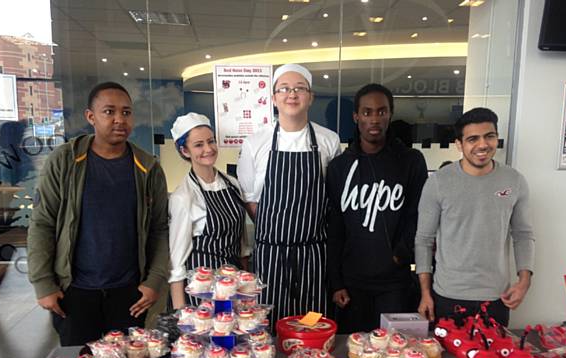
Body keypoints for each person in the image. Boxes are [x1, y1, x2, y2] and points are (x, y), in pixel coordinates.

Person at [27, 82, 169, 346]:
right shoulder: (65, 161)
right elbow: (42, 223)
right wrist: (44, 283)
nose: (119, 119)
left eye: (126, 112)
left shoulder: (147, 167)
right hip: (75, 291)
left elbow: (160, 228)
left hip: (130, 292)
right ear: (90, 117)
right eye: (109, 112)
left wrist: (154, 281)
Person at [237, 64, 341, 323]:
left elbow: (333, 196)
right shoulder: (255, 142)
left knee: (312, 321)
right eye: (284, 89)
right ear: (273, 98)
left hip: (314, 254)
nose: (291, 94)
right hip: (271, 254)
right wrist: (275, 232)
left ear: (311, 97)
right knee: (270, 321)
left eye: (299, 88)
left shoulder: (329, 141)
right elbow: (251, 199)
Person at [414, 107, 535, 326]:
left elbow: (523, 234)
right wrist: (425, 292)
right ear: (459, 144)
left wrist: (524, 280)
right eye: (472, 139)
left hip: (498, 297)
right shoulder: (438, 182)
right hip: (447, 295)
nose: (482, 145)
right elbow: (423, 240)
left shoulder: (514, 180)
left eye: (489, 136)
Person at [326, 84, 428, 332]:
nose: (374, 119)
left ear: (390, 114)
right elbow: (335, 226)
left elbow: (418, 215)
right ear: (356, 116)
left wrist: (400, 254)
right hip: (352, 283)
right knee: (352, 355)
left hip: (395, 282)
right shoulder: (339, 167)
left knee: (393, 353)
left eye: (381, 112)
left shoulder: (410, 161)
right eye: (367, 112)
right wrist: (336, 281)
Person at [168, 113, 250, 309]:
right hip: (201, 290)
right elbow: (176, 265)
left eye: (211, 141)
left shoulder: (232, 184)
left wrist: (246, 290)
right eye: (198, 145)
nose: (208, 149)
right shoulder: (183, 197)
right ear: (184, 151)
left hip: (233, 283)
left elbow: (242, 245)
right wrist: (182, 315)